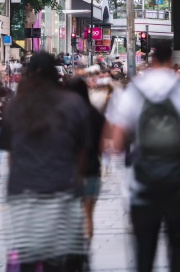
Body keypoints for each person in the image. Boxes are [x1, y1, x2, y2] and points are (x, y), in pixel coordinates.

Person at [109, 41, 180, 272]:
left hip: (143, 187)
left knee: (144, 256)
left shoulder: (134, 91)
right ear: (172, 60)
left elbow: (117, 144)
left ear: (152, 60)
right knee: (178, 256)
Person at [0, 52, 90, 271]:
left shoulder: (15, 106)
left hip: (24, 195)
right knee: (63, 261)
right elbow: (83, 151)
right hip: (62, 190)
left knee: (29, 260)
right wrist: (76, 179)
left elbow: (10, 154)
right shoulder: (73, 104)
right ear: (55, 73)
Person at [66, 77, 106, 242]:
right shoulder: (94, 113)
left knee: (71, 216)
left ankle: (75, 250)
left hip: (68, 173)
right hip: (92, 169)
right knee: (88, 214)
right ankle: (86, 248)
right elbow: (102, 146)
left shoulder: (65, 114)